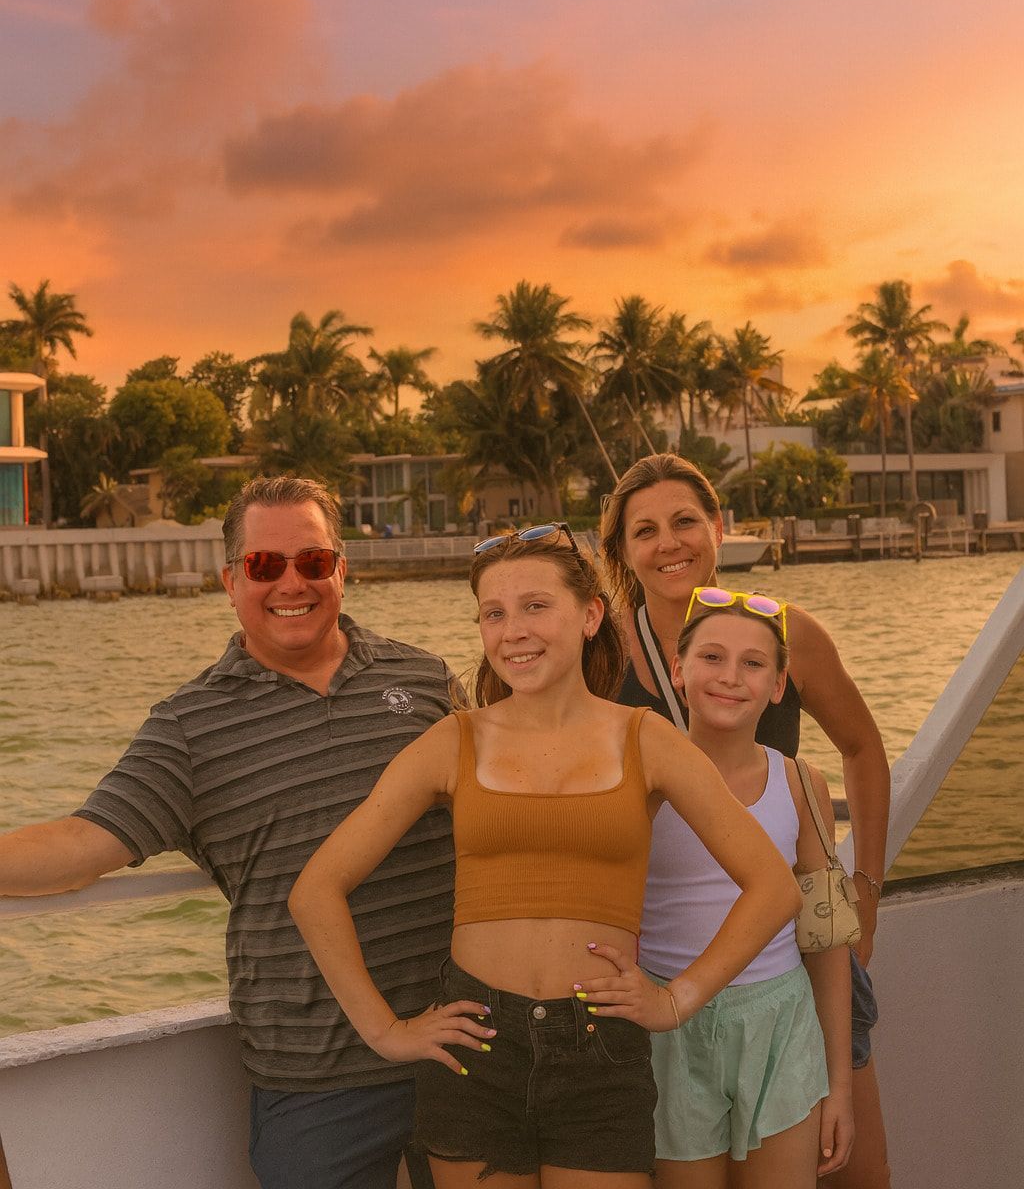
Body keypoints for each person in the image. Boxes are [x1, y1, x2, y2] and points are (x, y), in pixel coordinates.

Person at [289, 524, 801, 1188]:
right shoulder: (453, 741)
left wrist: (677, 1000)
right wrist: (385, 1031)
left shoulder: (648, 740)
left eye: (535, 606)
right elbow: (317, 889)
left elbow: (773, 887)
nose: (512, 632)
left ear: (590, 615)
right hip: (476, 1050)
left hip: (600, 1053)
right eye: (493, 614)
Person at [0, 475, 457, 1189]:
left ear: (342, 567)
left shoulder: (426, 680)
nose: (290, 583)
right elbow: (85, 844)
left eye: (312, 561)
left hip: (457, 1044)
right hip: (315, 1079)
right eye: (264, 566)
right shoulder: (190, 725)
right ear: (229, 580)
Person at [601, 455, 891, 1189]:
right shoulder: (600, 654)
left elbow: (863, 748)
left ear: (718, 528)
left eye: (686, 521)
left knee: (857, 1170)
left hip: (792, 953)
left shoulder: (789, 632)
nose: (669, 543)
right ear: (623, 551)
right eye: (645, 530)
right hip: (674, 968)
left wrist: (866, 888)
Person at [642, 587, 853, 1186]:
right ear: (678, 670)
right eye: (711, 657)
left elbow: (827, 939)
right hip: (669, 1027)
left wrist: (838, 1087)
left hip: (780, 1026)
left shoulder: (801, 783)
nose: (730, 677)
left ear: (779, 685)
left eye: (753, 663)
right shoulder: (641, 777)